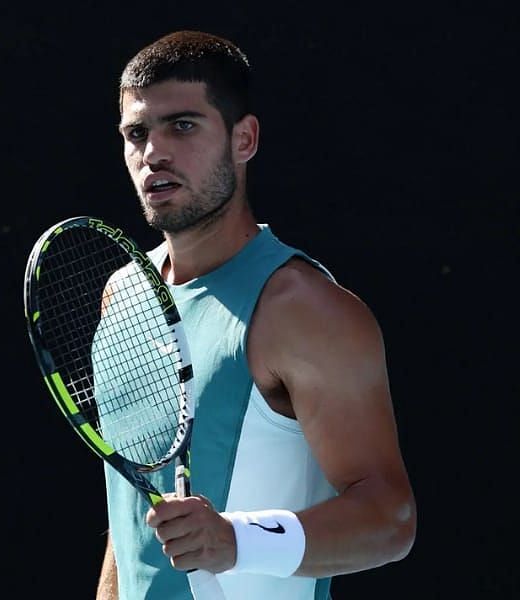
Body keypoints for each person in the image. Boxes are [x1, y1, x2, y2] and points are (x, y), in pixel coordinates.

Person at [95, 31, 416, 600]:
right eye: (136, 134)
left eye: (183, 126)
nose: (155, 153)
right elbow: (130, 522)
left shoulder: (304, 309)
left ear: (245, 139)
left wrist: (236, 539)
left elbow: (391, 522)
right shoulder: (122, 295)